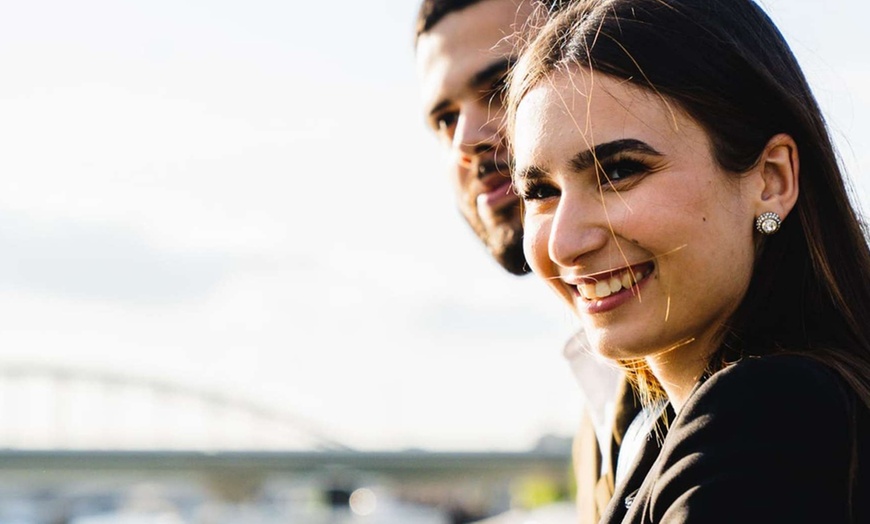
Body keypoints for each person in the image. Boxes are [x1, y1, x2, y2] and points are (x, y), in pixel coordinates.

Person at [505, 0, 870, 522]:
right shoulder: (666, 429)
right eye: (540, 191)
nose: (564, 243)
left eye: (620, 171)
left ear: (771, 179)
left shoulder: (769, 419)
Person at [413, 1, 642, 522]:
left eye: (503, 87)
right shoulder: (602, 375)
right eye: (445, 120)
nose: (466, 142)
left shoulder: (771, 395)